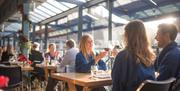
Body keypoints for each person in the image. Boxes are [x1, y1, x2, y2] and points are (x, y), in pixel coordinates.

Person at [112, 20, 156, 91]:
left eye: (125, 33)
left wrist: (119, 59)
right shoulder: (149, 56)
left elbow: (117, 84)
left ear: (127, 36)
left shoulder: (123, 56)